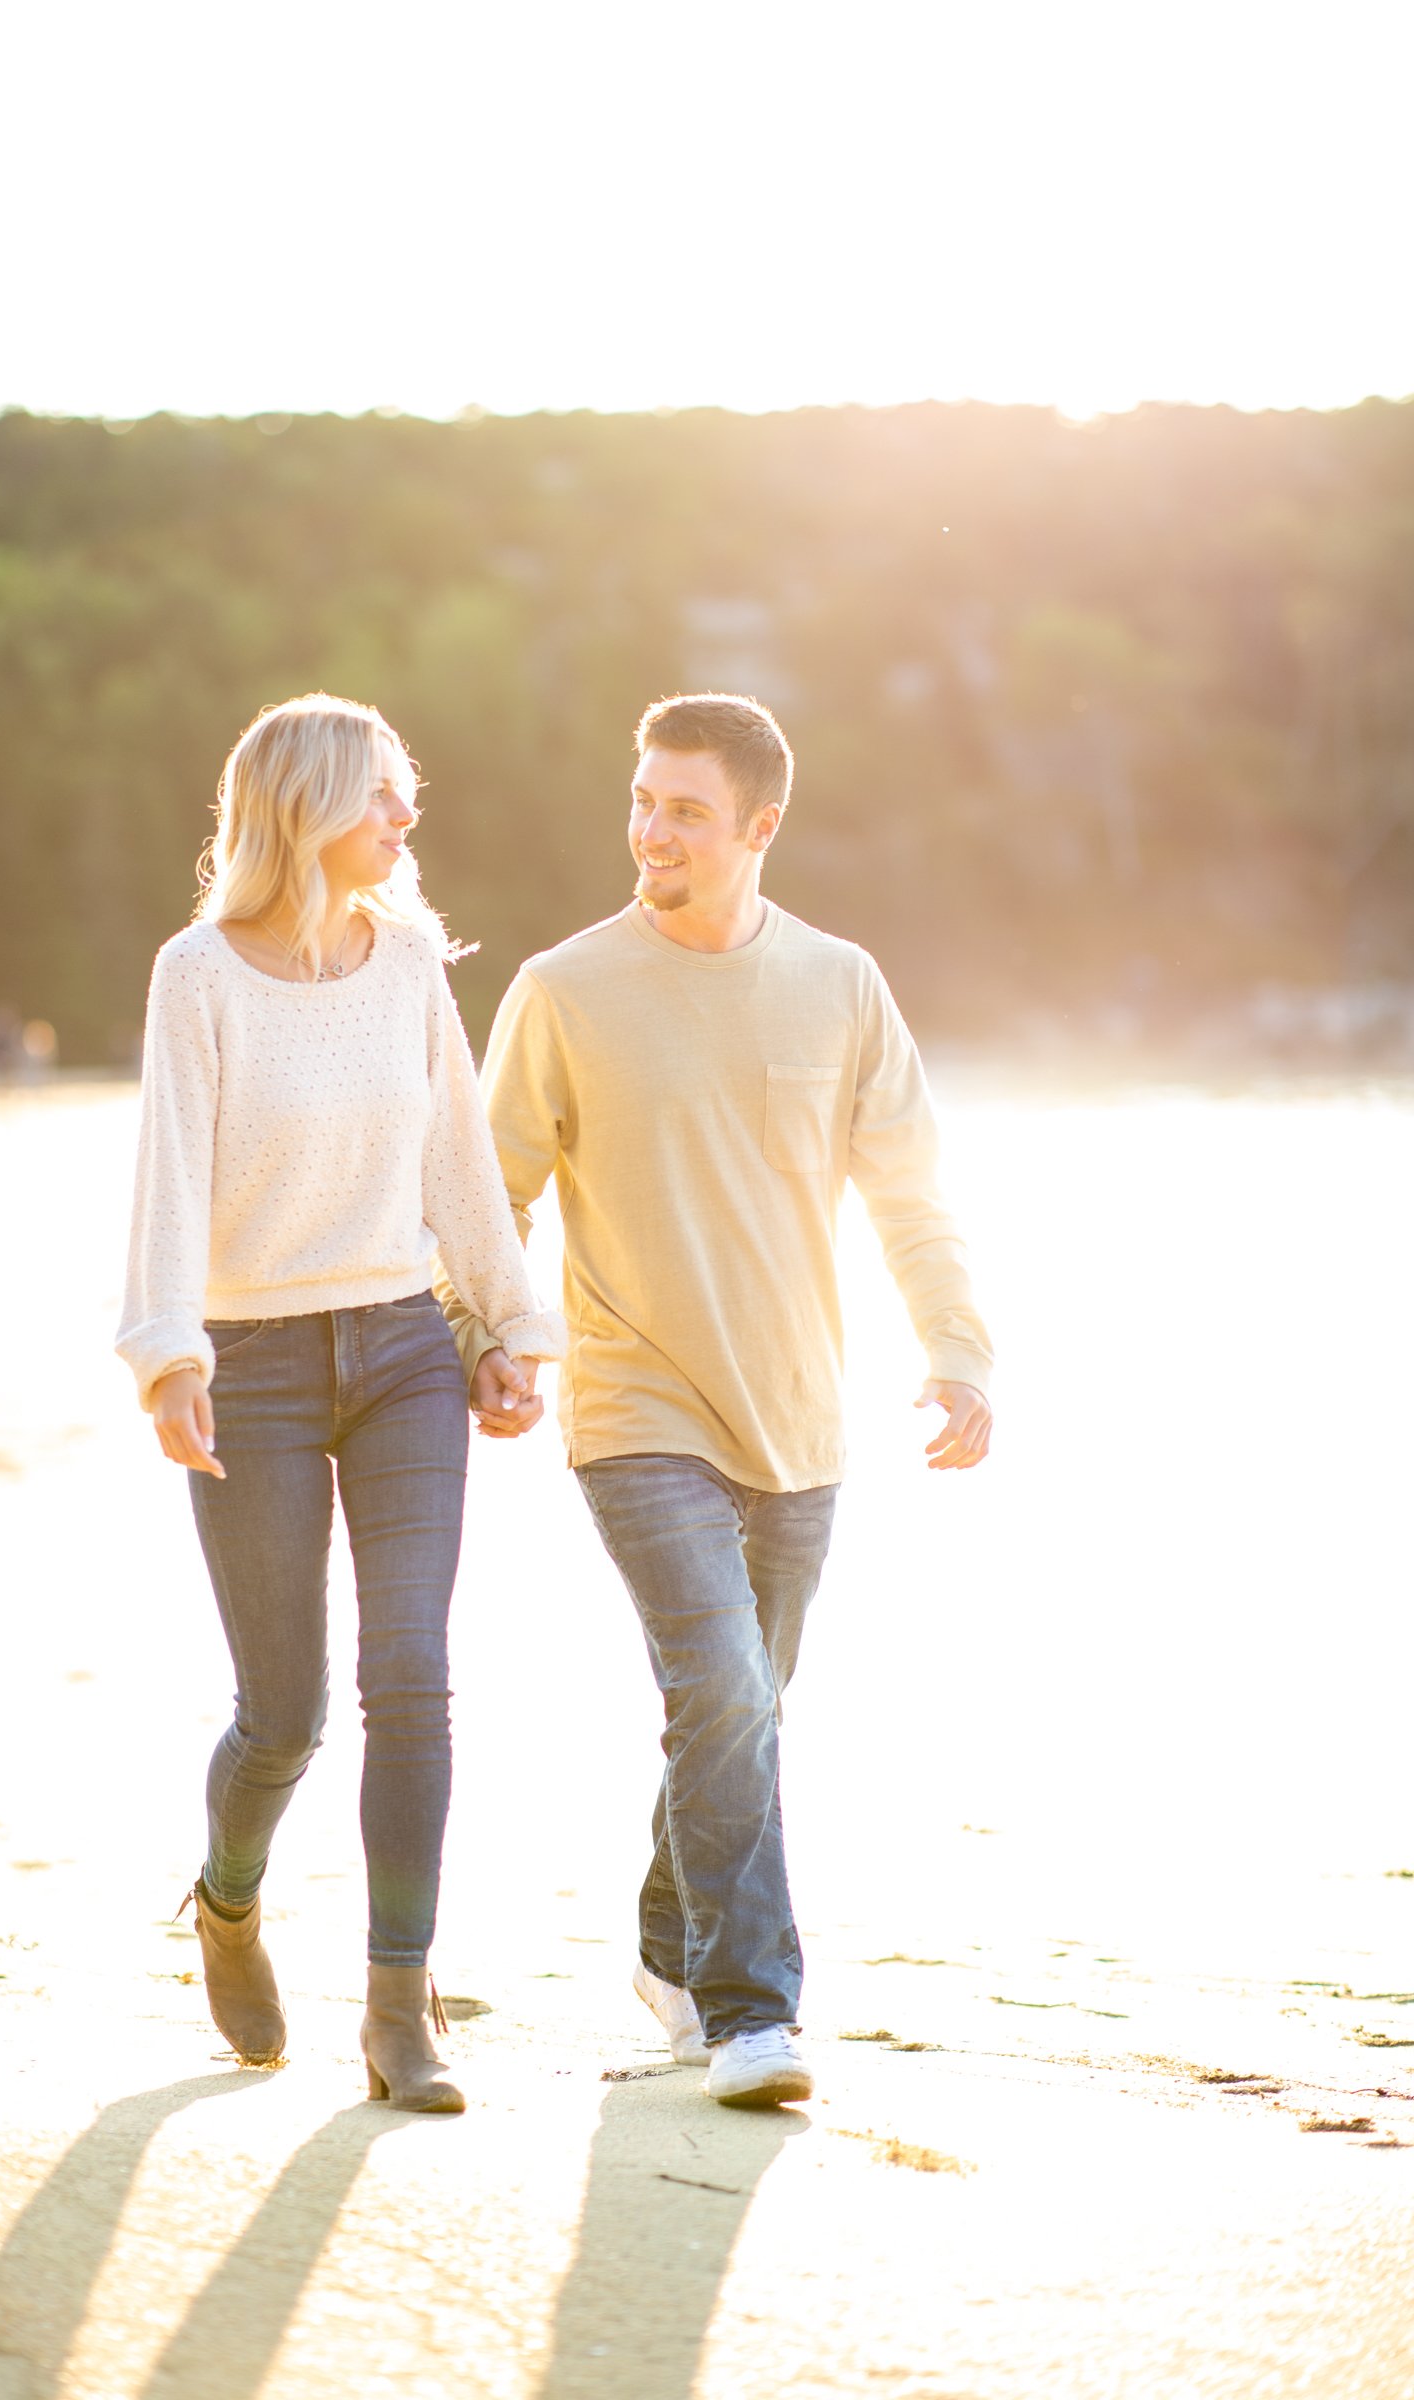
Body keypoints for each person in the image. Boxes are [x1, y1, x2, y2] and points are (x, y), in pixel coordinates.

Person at [439, 693, 992, 2110]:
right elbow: (483, 1200)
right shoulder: (565, 990)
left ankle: (665, 1944)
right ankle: (754, 2011)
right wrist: (486, 1335)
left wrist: (959, 1351)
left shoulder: (841, 983)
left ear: (759, 827)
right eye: (641, 801)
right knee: (726, 1687)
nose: (650, 831)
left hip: (802, 1416)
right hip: (636, 1408)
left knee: (742, 1704)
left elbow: (912, 1194)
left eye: (685, 809)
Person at [116, 694, 563, 2112]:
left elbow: (458, 1161)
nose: (405, 816)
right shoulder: (198, 975)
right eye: (382, 793)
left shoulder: (413, 959)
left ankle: (399, 2003)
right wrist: (169, 1351)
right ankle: (231, 1902)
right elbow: (170, 1174)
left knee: (413, 1680)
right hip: (247, 1366)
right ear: (306, 805)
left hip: (403, 1353)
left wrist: (503, 1321)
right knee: (287, 1712)